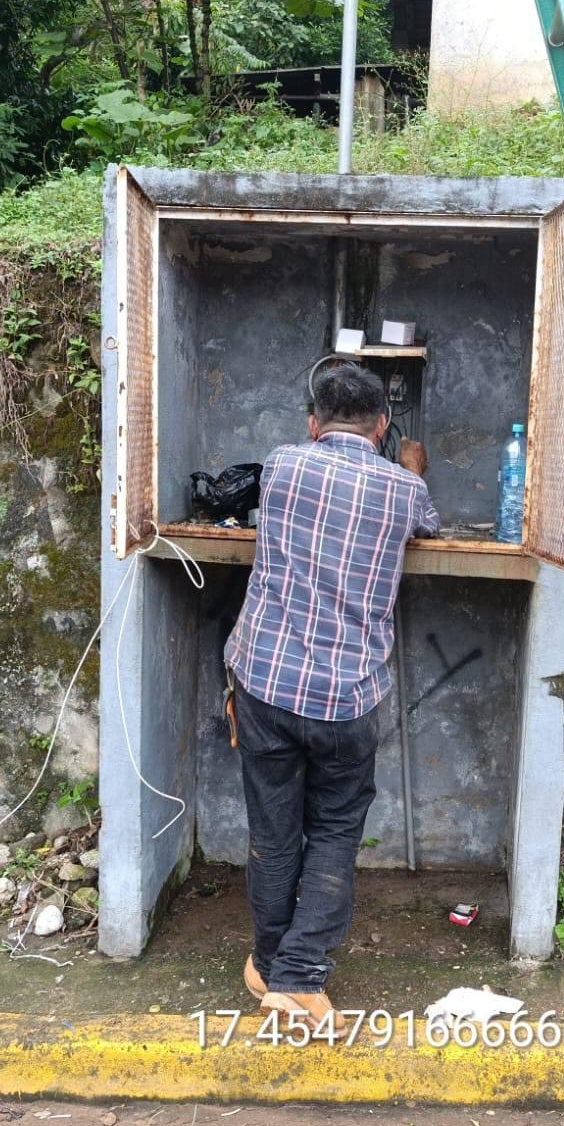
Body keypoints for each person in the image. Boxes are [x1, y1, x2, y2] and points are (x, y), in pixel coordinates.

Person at [223, 362, 440, 1034]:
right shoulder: (403, 488)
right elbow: (427, 526)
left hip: (264, 681)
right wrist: (411, 468)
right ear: (382, 425)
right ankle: (296, 977)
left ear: (313, 423)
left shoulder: (283, 464)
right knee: (335, 831)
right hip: (346, 696)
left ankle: (270, 965)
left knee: (273, 831)